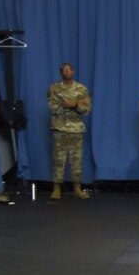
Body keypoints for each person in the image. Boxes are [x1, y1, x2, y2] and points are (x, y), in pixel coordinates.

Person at [47, 62, 93, 200]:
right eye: (64, 70)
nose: (67, 72)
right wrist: (67, 105)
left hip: (76, 128)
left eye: (69, 70)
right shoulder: (54, 88)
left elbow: (86, 108)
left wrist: (74, 105)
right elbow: (52, 107)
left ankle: (77, 188)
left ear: (73, 72)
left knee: (76, 160)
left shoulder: (81, 89)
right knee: (58, 159)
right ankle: (56, 189)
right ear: (61, 72)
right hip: (60, 127)